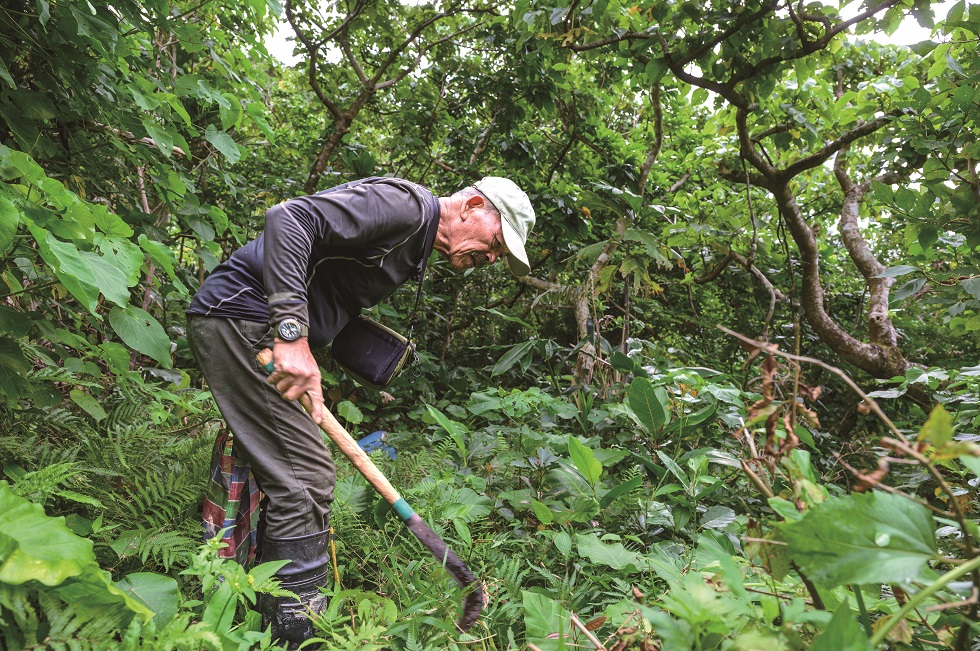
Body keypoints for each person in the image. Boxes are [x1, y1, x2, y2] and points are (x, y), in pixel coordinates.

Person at [186, 176, 535, 646]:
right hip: (246, 322)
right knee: (306, 479)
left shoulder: (415, 242)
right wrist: (292, 334)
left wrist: (323, 338)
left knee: (289, 473)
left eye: (501, 256)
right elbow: (289, 218)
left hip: (248, 324)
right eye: (497, 243)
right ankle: (294, 632)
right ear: (473, 206)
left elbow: (328, 278)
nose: (492, 258)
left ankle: (256, 601)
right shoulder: (407, 207)